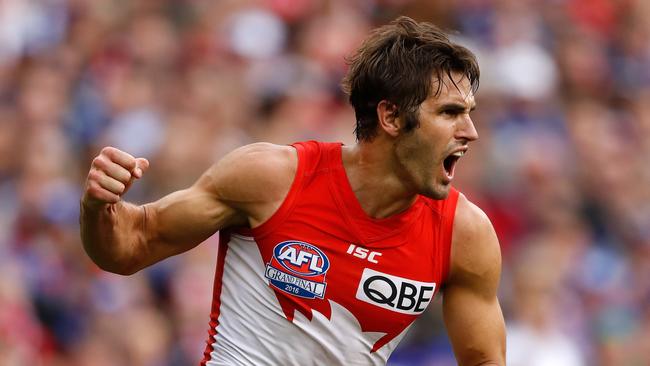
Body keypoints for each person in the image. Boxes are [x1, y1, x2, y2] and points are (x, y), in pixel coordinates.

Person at [80, 16, 505, 366]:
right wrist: (100, 207)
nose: (471, 132)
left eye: (468, 113)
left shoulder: (465, 234)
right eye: (450, 113)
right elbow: (129, 247)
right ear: (391, 116)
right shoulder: (272, 177)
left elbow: (484, 360)